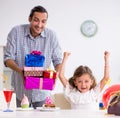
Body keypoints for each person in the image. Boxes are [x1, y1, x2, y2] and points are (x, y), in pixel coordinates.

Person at [4, 5, 62, 108]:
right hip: (22, 91)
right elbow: (8, 59)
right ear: (29, 19)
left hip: (43, 92)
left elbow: (58, 61)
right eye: (36, 20)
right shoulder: (16, 32)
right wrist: (20, 71)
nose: (39, 25)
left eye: (43, 21)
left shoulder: (51, 36)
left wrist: (56, 74)